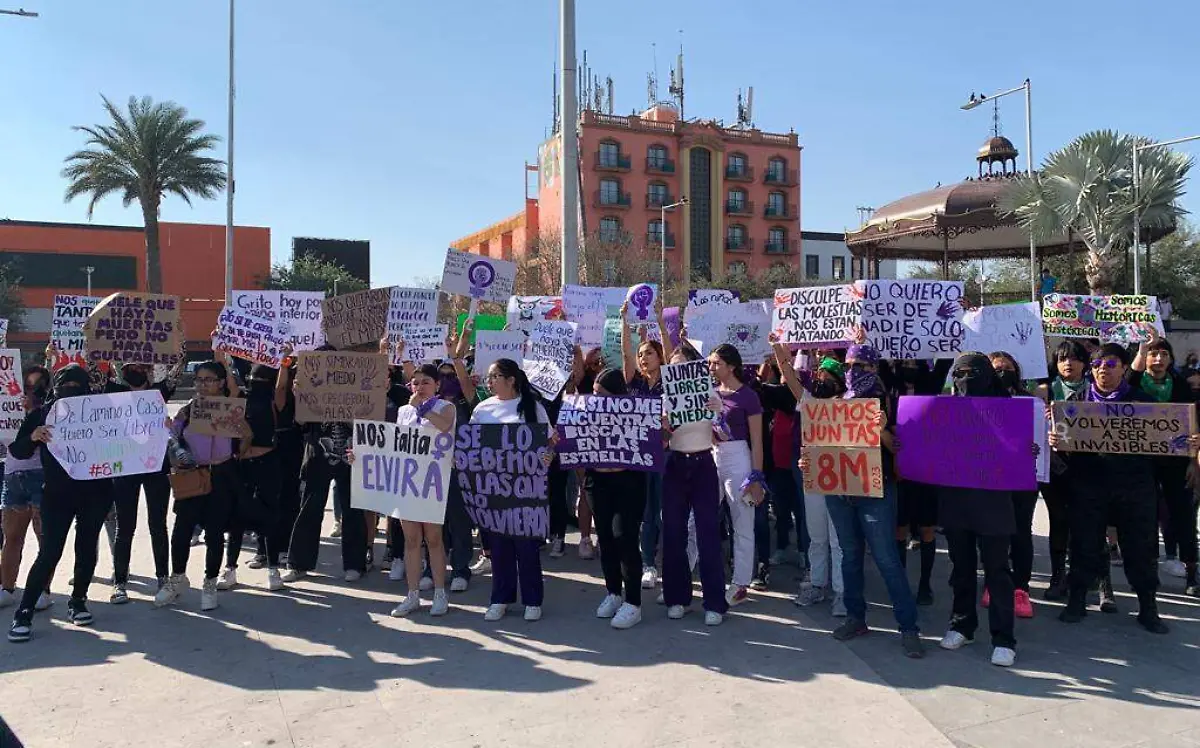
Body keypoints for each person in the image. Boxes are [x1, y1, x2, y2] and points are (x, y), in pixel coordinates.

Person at [805, 342, 924, 658]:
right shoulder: (834, 402)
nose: (853, 371)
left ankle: (909, 627)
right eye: (848, 366)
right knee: (850, 555)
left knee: (886, 558)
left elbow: (899, 447)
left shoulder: (889, 400)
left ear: (875, 369)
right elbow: (822, 444)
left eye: (861, 366)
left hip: (876, 490)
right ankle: (856, 618)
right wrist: (811, 461)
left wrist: (883, 432)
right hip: (840, 491)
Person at [1050, 343, 1174, 633]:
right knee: (1083, 544)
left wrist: (1183, 443)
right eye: (1097, 365)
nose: (1103, 370)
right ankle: (1077, 599)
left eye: (1110, 364)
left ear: (1123, 367)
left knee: (1141, 548)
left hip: (1134, 487)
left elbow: (1163, 444)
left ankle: (1148, 607)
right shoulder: (1075, 404)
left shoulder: (1142, 402)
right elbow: (1065, 452)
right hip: (1089, 486)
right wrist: (1058, 442)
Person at [8, 365, 116, 642]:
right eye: (65, 385)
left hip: (95, 492)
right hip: (57, 495)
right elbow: (18, 450)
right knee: (49, 552)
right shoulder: (44, 414)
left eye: (76, 386)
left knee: (86, 547)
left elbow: (133, 440)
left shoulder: (102, 412)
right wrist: (33, 436)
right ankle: (24, 611)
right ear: (56, 387)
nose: (70, 391)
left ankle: (78, 601)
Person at [936, 352, 1030, 668]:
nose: (965, 379)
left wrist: (1026, 448)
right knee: (960, 566)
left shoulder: (1008, 412)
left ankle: (1004, 638)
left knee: (997, 569)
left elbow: (1019, 452)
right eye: (959, 373)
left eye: (972, 373)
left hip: (993, 500)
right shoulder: (944, 411)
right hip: (956, 499)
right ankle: (962, 624)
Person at [156, 359, 246, 611]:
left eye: (209, 380)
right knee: (182, 530)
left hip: (221, 477)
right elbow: (173, 437)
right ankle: (178, 577)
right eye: (199, 380)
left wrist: (240, 429)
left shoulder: (231, 410)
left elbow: (246, 440)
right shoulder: (188, 410)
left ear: (220, 383)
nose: (203, 385)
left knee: (215, 532)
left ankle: (209, 582)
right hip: (192, 478)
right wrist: (170, 428)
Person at [475, 358, 554, 622]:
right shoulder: (482, 409)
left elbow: (549, 442)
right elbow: (472, 445)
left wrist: (547, 457)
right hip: (494, 487)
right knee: (499, 547)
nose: (490, 381)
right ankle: (500, 598)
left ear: (511, 380)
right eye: (489, 376)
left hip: (527, 488)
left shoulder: (533, 408)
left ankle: (533, 600)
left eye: (495, 376)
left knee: (526, 547)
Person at [285, 345, 367, 583]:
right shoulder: (309, 389)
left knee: (353, 509)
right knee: (310, 507)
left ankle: (355, 564)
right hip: (317, 452)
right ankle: (299, 563)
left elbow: (367, 418)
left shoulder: (355, 387)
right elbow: (300, 420)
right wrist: (299, 395)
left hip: (351, 452)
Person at [773, 344, 846, 615]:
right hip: (813, 474)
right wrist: (778, 346)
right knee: (816, 536)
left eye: (828, 379)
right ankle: (817, 584)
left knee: (838, 539)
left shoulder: (849, 406)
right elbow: (788, 374)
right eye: (820, 378)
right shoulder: (808, 401)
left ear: (839, 382)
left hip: (840, 477)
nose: (822, 382)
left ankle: (841, 591)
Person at [108, 356, 185, 603]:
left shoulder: (158, 393)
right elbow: (95, 374)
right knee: (124, 527)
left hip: (155, 467)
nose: (136, 371)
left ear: (149, 370)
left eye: (141, 367)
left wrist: (179, 336)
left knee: (157, 525)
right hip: (126, 468)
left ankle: (163, 576)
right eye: (131, 368)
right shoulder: (114, 391)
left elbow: (177, 369)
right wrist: (93, 347)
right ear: (123, 370)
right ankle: (120, 582)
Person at [660, 342, 727, 625]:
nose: (678, 373)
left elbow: (723, 435)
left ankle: (714, 603)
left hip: (702, 465)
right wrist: (662, 428)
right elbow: (660, 443)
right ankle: (677, 598)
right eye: (672, 370)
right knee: (673, 533)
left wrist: (718, 413)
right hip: (674, 465)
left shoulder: (711, 395)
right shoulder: (664, 399)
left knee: (707, 533)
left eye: (682, 368)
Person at [384, 364, 457, 618]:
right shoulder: (404, 411)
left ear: (437, 385)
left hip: (432, 482)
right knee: (411, 540)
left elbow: (444, 427)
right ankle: (412, 594)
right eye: (415, 383)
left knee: (433, 539)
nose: (420, 387)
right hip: (407, 483)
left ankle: (439, 593)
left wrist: (422, 407)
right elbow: (395, 444)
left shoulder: (445, 407)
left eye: (426, 382)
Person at [1129, 331, 1198, 596]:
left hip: (1176, 463)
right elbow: (1127, 378)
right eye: (1153, 354)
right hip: (1143, 463)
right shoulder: (1134, 385)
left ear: (1170, 359)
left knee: (1183, 516)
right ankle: (1148, 575)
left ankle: (1192, 572)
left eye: (1163, 354)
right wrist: (1142, 347)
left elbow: (1192, 422)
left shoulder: (1180, 386)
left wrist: (1193, 461)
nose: (1157, 358)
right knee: (1144, 518)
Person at [880, 358, 950, 606]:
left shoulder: (931, 382)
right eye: (905, 359)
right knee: (899, 528)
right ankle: (901, 585)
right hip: (898, 465)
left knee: (927, 529)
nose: (909, 363)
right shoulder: (890, 380)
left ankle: (924, 585)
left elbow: (945, 358)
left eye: (914, 359)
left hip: (927, 467)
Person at [584, 368, 649, 629]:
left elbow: (651, 444)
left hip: (628, 484)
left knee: (625, 537)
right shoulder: (584, 414)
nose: (594, 398)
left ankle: (633, 603)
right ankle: (613, 592)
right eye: (593, 393)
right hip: (597, 483)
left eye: (601, 394)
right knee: (606, 539)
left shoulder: (634, 415)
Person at [221, 360, 291, 592]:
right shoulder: (261, 398)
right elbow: (227, 374)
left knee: (244, 517)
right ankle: (266, 571)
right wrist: (219, 346)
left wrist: (284, 363)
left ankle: (237, 569)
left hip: (252, 462)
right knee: (254, 516)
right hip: (257, 462)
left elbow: (280, 387)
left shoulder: (254, 397)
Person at [708, 343, 766, 607]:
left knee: (741, 520)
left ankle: (741, 582)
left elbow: (757, 439)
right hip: (713, 454)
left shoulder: (748, 396)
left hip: (739, 457)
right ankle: (686, 574)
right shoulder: (710, 393)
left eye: (716, 363)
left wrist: (756, 476)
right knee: (699, 517)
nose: (711, 367)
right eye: (710, 363)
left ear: (731, 366)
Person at [1035, 341, 1090, 601]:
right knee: (1059, 520)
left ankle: (1093, 580)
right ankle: (1058, 576)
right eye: (1062, 359)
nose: (1068, 363)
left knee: (1087, 524)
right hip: (1054, 468)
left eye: (1075, 358)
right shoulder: (1044, 392)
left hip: (1088, 468)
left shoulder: (1095, 390)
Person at [621, 301, 669, 590]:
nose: (643, 358)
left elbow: (672, 350)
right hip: (640, 457)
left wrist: (661, 323)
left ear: (660, 356)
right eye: (641, 355)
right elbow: (626, 354)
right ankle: (649, 563)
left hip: (667, 455)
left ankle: (671, 561)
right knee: (647, 512)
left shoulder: (671, 381)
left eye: (649, 353)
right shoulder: (635, 384)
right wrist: (624, 323)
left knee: (666, 510)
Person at [989, 351, 1039, 619]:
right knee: (994, 532)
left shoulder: (1031, 403)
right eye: (996, 368)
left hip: (1022, 480)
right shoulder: (976, 402)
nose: (1002, 373)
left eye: (1007, 368)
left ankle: (1020, 588)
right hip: (990, 477)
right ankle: (994, 582)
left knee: (1020, 532)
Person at [0, 367, 53, 613]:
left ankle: (43, 589)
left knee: (45, 537)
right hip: (12, 476)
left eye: (39, 386)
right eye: (28, 386)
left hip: (41, 475)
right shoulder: (7, 406)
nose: (33, 391)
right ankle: (6, 588)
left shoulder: (50, 410)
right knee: (12, 538)